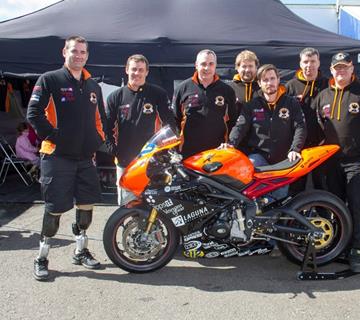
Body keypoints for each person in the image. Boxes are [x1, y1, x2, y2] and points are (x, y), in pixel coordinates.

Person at [27, 36, 106, 281]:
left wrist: (97, 140)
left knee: (86, 207)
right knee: (55, 210)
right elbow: (34, 113)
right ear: (65, 52)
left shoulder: (93, 86)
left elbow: (99, 119)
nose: (79, 55)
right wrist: (54, 135)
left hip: (85, 158)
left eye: (83, 52)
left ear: (87, 55)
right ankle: (42, 257)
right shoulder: (49, 79)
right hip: (57, 156)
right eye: (75, 51)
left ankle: (80, 251)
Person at [316, 52, 360, 273]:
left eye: (345, 67)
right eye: (337, 68)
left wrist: (358, 148)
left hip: (357, 161)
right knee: (333, 205)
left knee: (357, 204)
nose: (340, 71)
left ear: (352, 69)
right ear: (331, 70)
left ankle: (356, 249)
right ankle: (338, 245)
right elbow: (318, 128)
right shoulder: (323, 95)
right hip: (330, 162)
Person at [226, 64, 306, 199]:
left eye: (272, 78)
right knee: (253, 185)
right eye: (265, 80)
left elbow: (300, 127)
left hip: (283, 160)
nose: (269, 83)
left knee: (279, 198)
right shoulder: (251, 105)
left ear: (278, 79)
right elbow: (240, 127)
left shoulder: (291, 103)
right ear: (259, 83)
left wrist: (295, 149)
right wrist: (230, 144)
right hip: (259, 158)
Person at [103, 54, 175, 205]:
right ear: (127, 70)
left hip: (152, 161)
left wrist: (164, 151)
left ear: (147, 72)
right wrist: (113, 149)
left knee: (154, 205)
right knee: (127, 205)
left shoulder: (158, 94)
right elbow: (106, 127)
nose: (137, 73)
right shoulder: (115, 97)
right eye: (134, 69)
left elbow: (170, 124)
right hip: (125, 161)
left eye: (141, 70)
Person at [171, 49, 237, 158]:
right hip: (188, 151)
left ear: (215, 66)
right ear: (196, 65)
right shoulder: (182, 88)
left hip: (218, 151)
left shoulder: (227, 91)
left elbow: (233, 121)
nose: (207, 68)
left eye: (211, 64)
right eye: (203, 64)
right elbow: (174, 120)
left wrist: (229, 144)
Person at [286, 47, 329, 193]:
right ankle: (295, 216)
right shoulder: (290, 86)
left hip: (321, 145)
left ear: (318, 63)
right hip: (298, 147)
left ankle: (323, 215)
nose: (309, 65)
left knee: (321, 186)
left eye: (312, 61)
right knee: (296, 187)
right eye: (305, 61)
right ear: (300, 63)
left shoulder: (328, 85)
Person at [230, 50, 261, 116]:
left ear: (256, 68)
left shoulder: (263, 88)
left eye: (250, 66)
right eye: (244, 66)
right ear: (237, 68)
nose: (247, 70)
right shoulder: (229, 88)